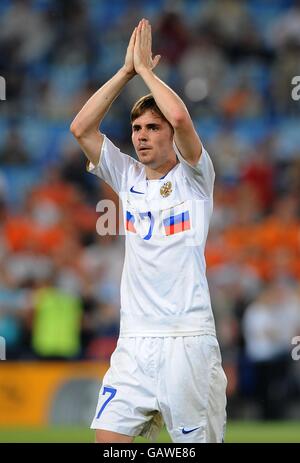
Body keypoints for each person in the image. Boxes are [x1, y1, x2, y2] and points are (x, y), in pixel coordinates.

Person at [70, 18, 227, 444]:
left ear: (172, 137)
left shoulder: (196, 178)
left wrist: (147, 72)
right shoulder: (127, 177)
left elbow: (178, 113)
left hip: (187, 341)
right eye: (137, 128)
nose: (141, 136)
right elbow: (81, 128)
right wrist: (125, 73)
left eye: (152, 128)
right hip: (135, 343)